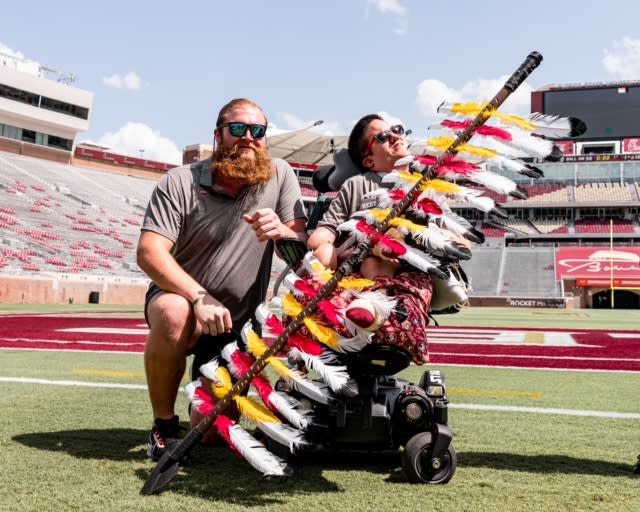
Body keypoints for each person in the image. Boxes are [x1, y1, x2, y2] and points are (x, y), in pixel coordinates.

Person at [137, 98, 308, 460]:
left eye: (258, 130)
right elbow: (150, 252)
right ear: (218, 135)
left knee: (212, 434)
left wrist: (282, 233)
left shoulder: (280, 174)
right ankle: (164, 425)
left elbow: (300, 253)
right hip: (185, 302)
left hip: (238, 325)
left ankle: (199, 406)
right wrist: (199, 298)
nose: (249, 137)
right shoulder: (180, 181)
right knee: (173, 312)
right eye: (238, 129)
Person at [307, 114, 410, 278]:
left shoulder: (427, 185)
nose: (396, 136)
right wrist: (326, 249)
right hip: (362, 270)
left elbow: (459, 240)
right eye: (383, 136)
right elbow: (324, 233)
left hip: (413, 270)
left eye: (397, 129)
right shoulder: (357, 185)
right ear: (369, 161)